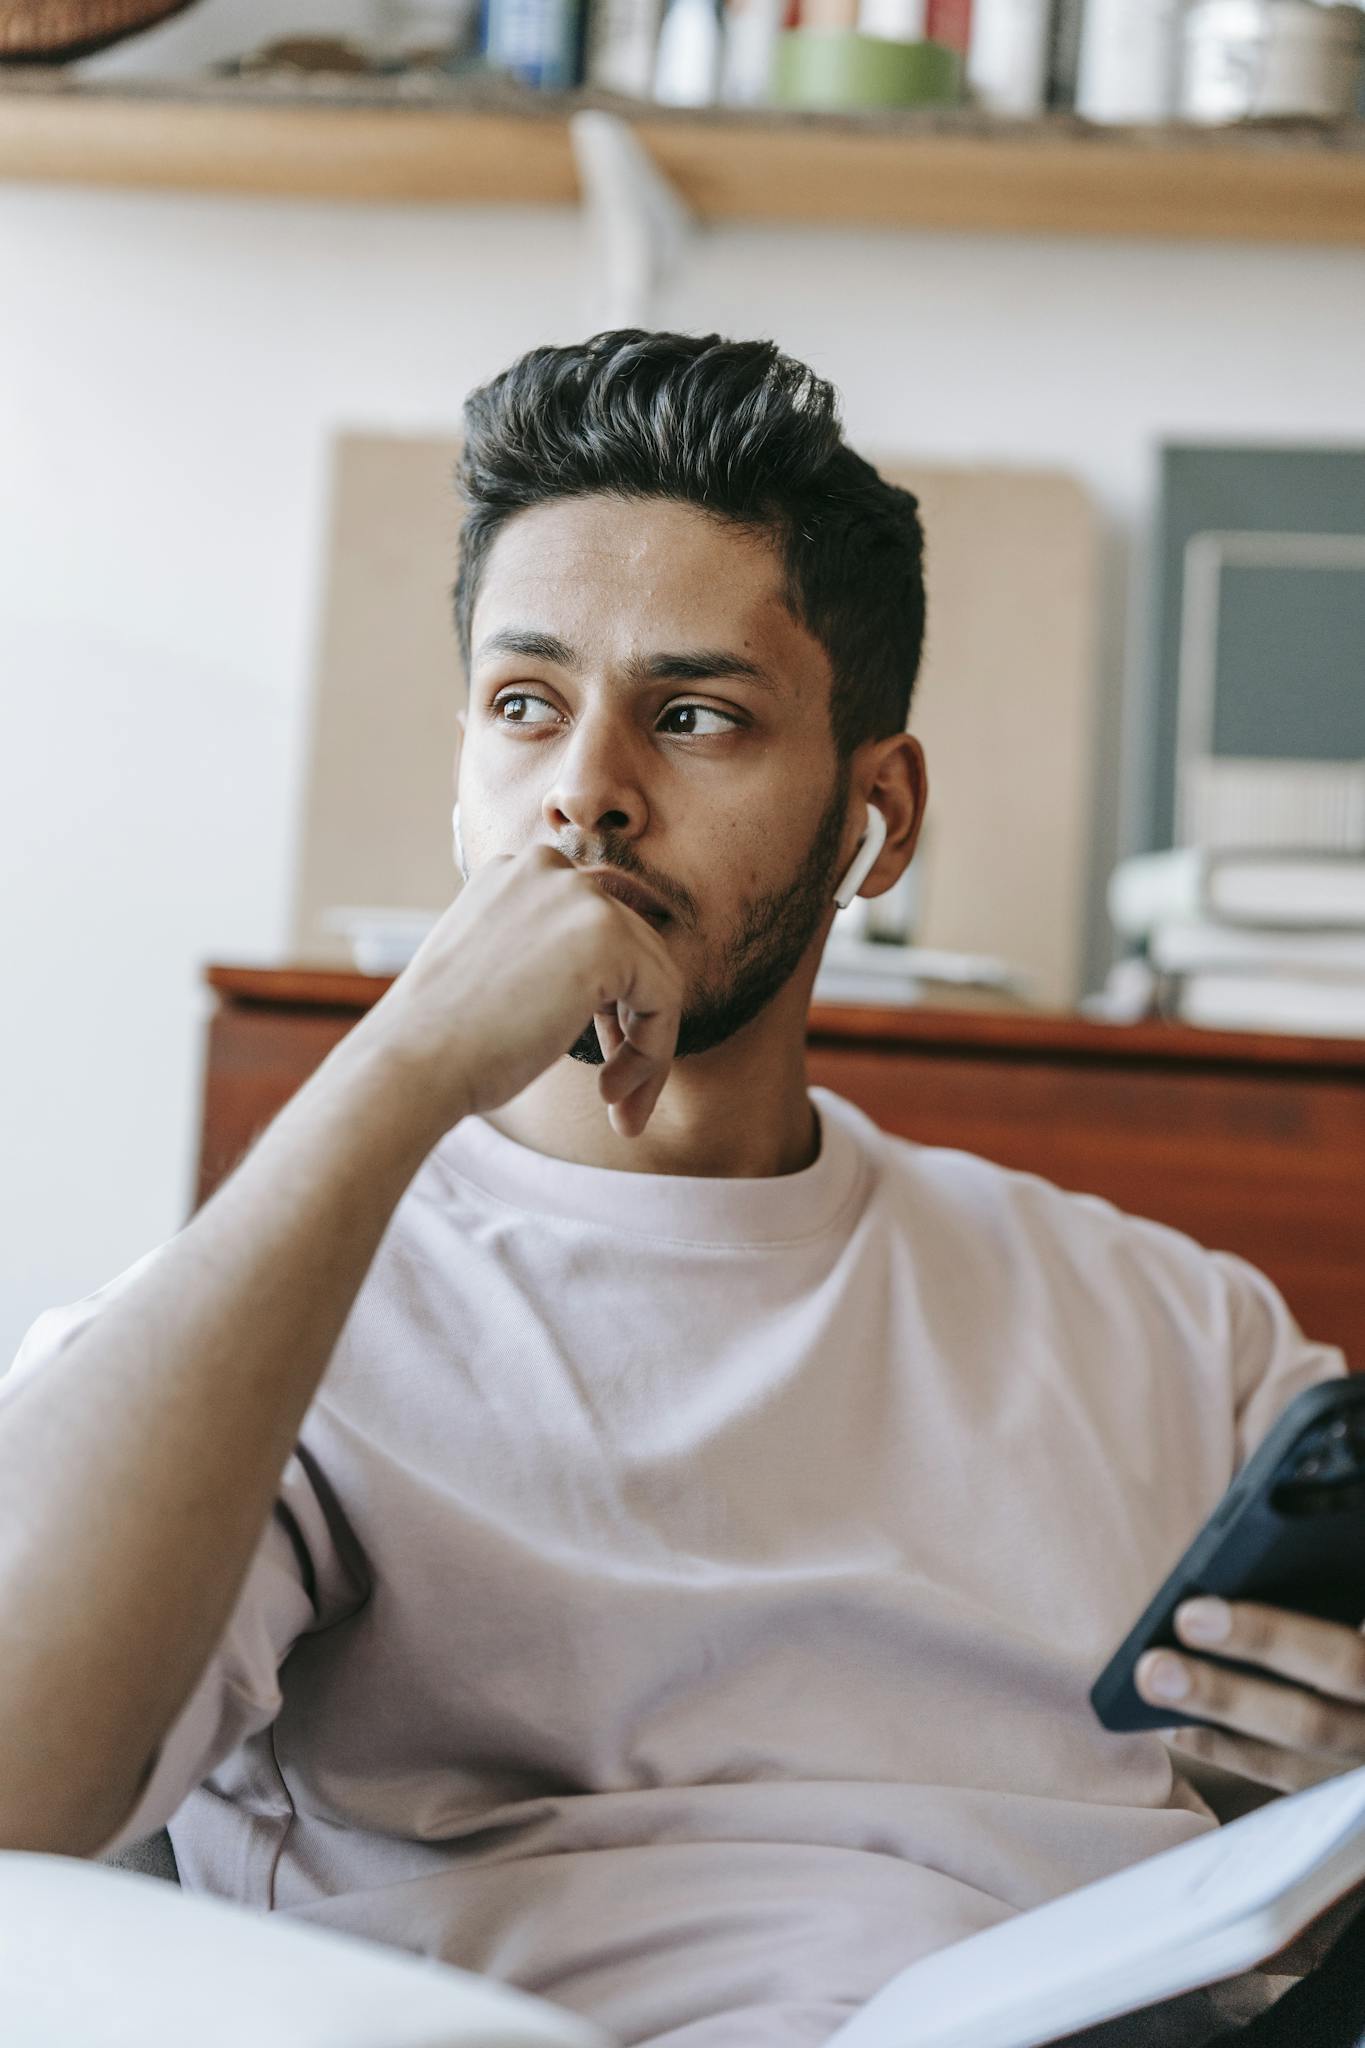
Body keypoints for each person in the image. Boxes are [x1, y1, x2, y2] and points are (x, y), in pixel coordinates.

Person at [3, 330, 1365, 2048]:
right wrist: (400, 1069)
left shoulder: (1179, 1328)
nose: (583, 790)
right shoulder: (281, 1310)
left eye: (694, 715)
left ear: (875, 821)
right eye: (524, 707)